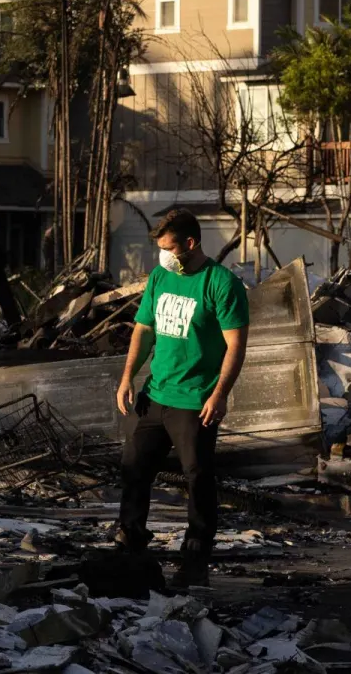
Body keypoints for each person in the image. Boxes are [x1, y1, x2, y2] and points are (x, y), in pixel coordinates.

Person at [114, 207, 249, 589]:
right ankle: (131, 538)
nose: (164, 255)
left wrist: (219, 394)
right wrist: (128, 378)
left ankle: (197, 550)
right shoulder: (160, 276)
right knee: (134, 466)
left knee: (198, 476)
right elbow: (143, 331)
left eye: (170, 248)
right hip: (155, 393)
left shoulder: (221, 283)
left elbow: (236, 346)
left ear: (190, 244)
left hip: (195, 400)